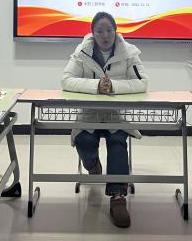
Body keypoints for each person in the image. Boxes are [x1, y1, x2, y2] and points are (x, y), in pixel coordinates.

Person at [61, 12, 148, 228]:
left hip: (115, 114)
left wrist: (114, 86)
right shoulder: (82, 52)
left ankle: (118, 197)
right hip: (89, 114)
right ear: (93, 33)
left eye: (109, 30)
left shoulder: (128, 52)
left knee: (118, 143)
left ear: (116, 31)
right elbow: (66, 80)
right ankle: (93, 166)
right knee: (83, 140)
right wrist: (96, 86)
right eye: (99, 31)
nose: (105, 35)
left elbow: (142, 82)